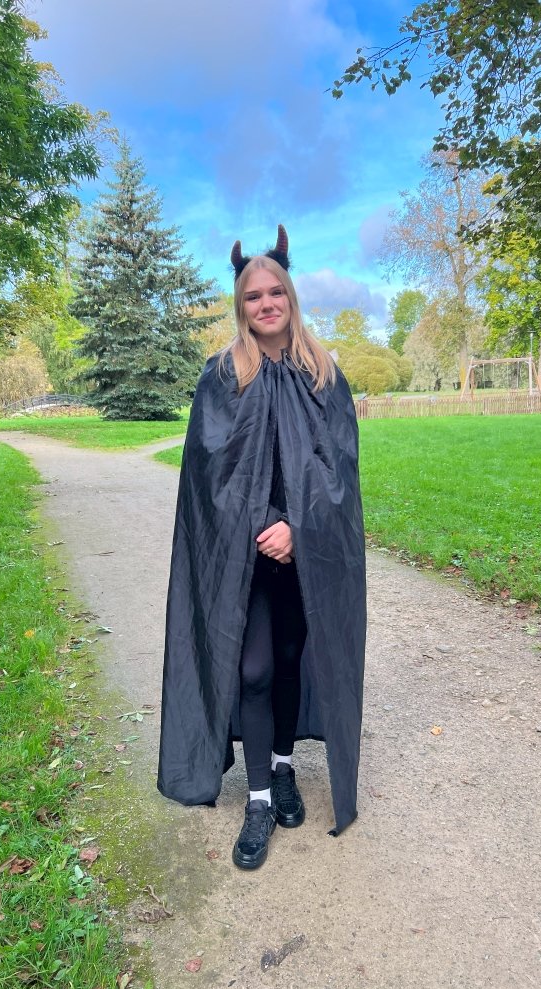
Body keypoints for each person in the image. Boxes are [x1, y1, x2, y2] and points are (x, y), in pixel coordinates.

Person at [157, 225, 366, 870]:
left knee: (292, 656)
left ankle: (281, 767)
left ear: (290, 297)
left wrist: (301, 529)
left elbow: (339, 470)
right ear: (240, 305)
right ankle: (256, 801)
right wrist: (260, 527)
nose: (266, 303)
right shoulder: (223, 377)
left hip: (306, 554)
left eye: (276, 292)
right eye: (253, 296)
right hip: (244, 555)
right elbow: (208, 475)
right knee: (252, 669)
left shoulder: (323, 375)